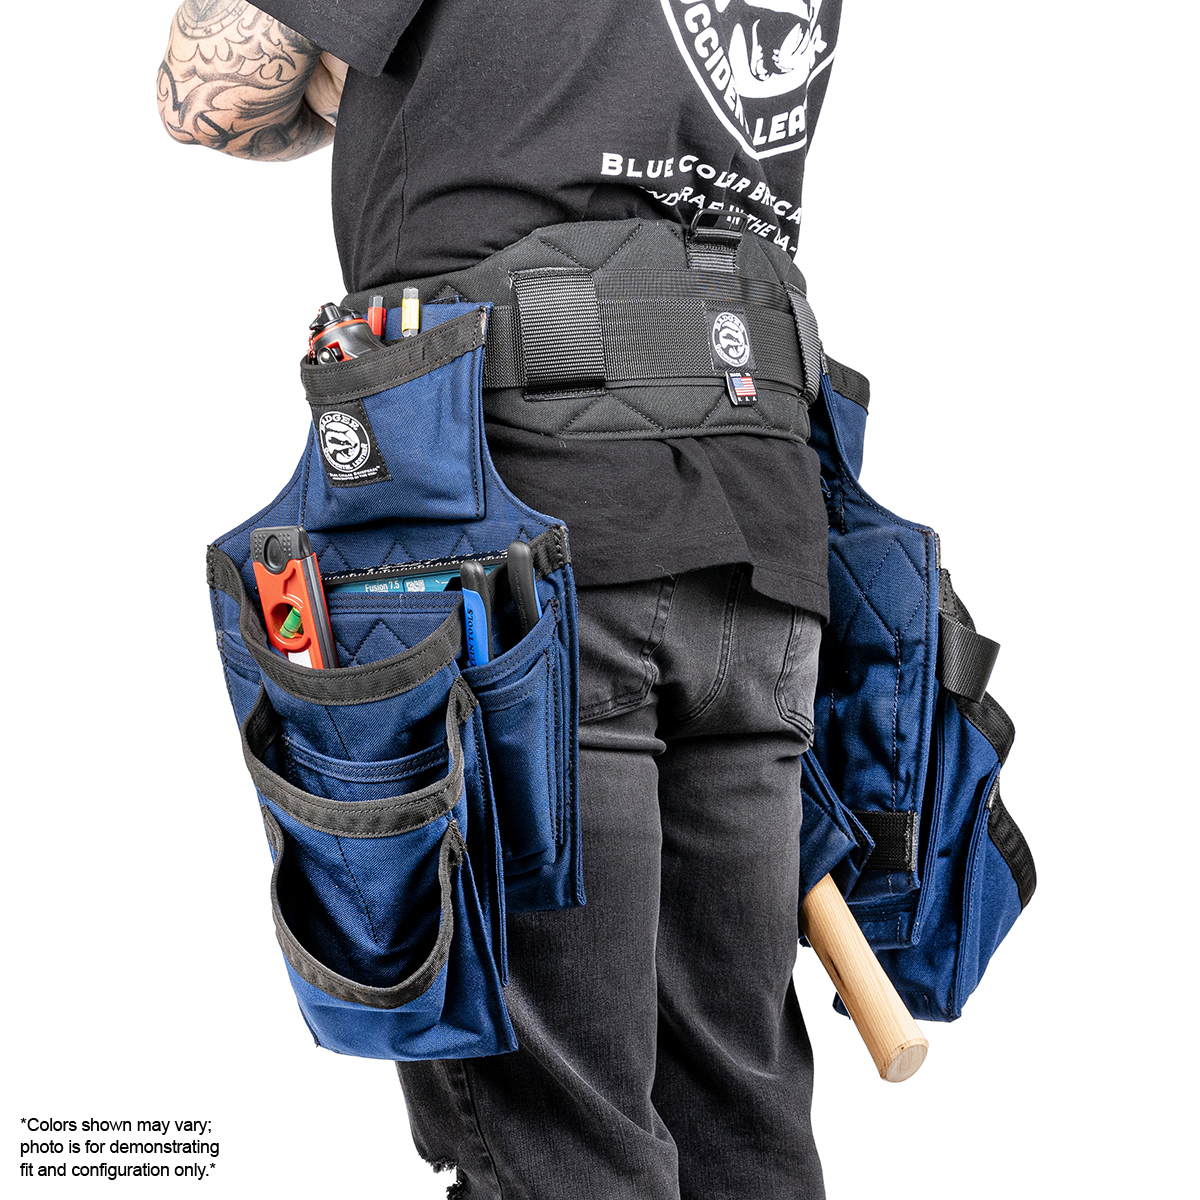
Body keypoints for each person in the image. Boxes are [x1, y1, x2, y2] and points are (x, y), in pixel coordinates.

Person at [159, 3, 842, 1196]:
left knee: (560, 1142)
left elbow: (211, 95)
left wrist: (343, 70)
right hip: (759, 516)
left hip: (517, 525)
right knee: (740, 1118)